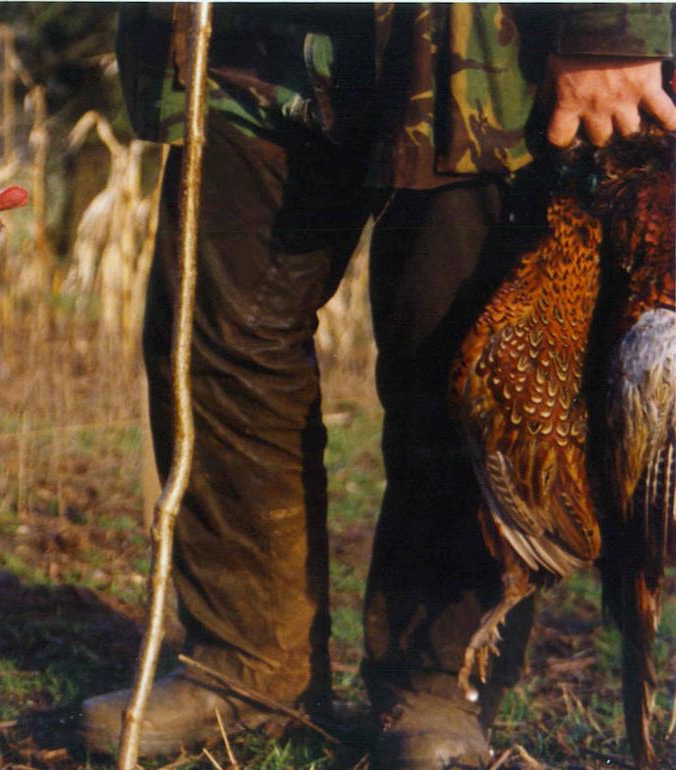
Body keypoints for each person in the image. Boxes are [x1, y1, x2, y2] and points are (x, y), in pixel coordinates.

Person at [83, 5, 675, 768]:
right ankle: (245, 670)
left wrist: (606, 27)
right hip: (250, 33)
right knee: (215, 335)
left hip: (475, 38)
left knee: (454, 349)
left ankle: (438, 681)